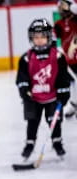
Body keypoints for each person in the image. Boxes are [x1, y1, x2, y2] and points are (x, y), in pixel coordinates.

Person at [17, 18, 71, 159]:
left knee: (54, 121)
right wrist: (24, 90)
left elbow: (63, 77)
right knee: (32, 121)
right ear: (31, 38)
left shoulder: (58, 56)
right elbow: (22, 78)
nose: (39, 40)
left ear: (48, 37)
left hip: (52, 96)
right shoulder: (26, 58)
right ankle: (29, 145)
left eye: (42, 37)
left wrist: (64, 91)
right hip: (33, 98)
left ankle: (57, 143)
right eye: (36, 37)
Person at [55, 0, 77, 118]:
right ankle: (74, 104)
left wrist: (73, 7)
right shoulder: (59, 24)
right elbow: (53, 39)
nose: (60, 8)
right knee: (72, 82)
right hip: (70, 59)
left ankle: (74, 104)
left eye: (63, 6)